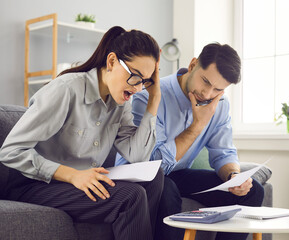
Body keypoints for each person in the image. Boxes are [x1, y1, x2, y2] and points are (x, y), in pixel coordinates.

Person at [0, 26, 163, 240]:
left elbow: (138, 156)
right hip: (37, 185)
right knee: (130, 197)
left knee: (155, 178)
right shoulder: (66, 89)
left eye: (145, 81)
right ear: (112, 61)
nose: (139, 88)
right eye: (135, 76)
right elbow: (10, 151)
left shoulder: (121, 102)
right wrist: (73, 175)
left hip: (79, 184)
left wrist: (154, 99)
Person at [116, 43, 265, 240]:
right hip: (142, 174)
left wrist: (233, 177)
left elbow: (223, 152)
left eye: (217, 89)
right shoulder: (149, 97)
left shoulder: (219, 104)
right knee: (166, 188)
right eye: (205, 81)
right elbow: (154, 164)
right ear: (193, 64)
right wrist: (197, 126)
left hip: (178, 174)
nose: (207, 94)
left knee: (254, 191)